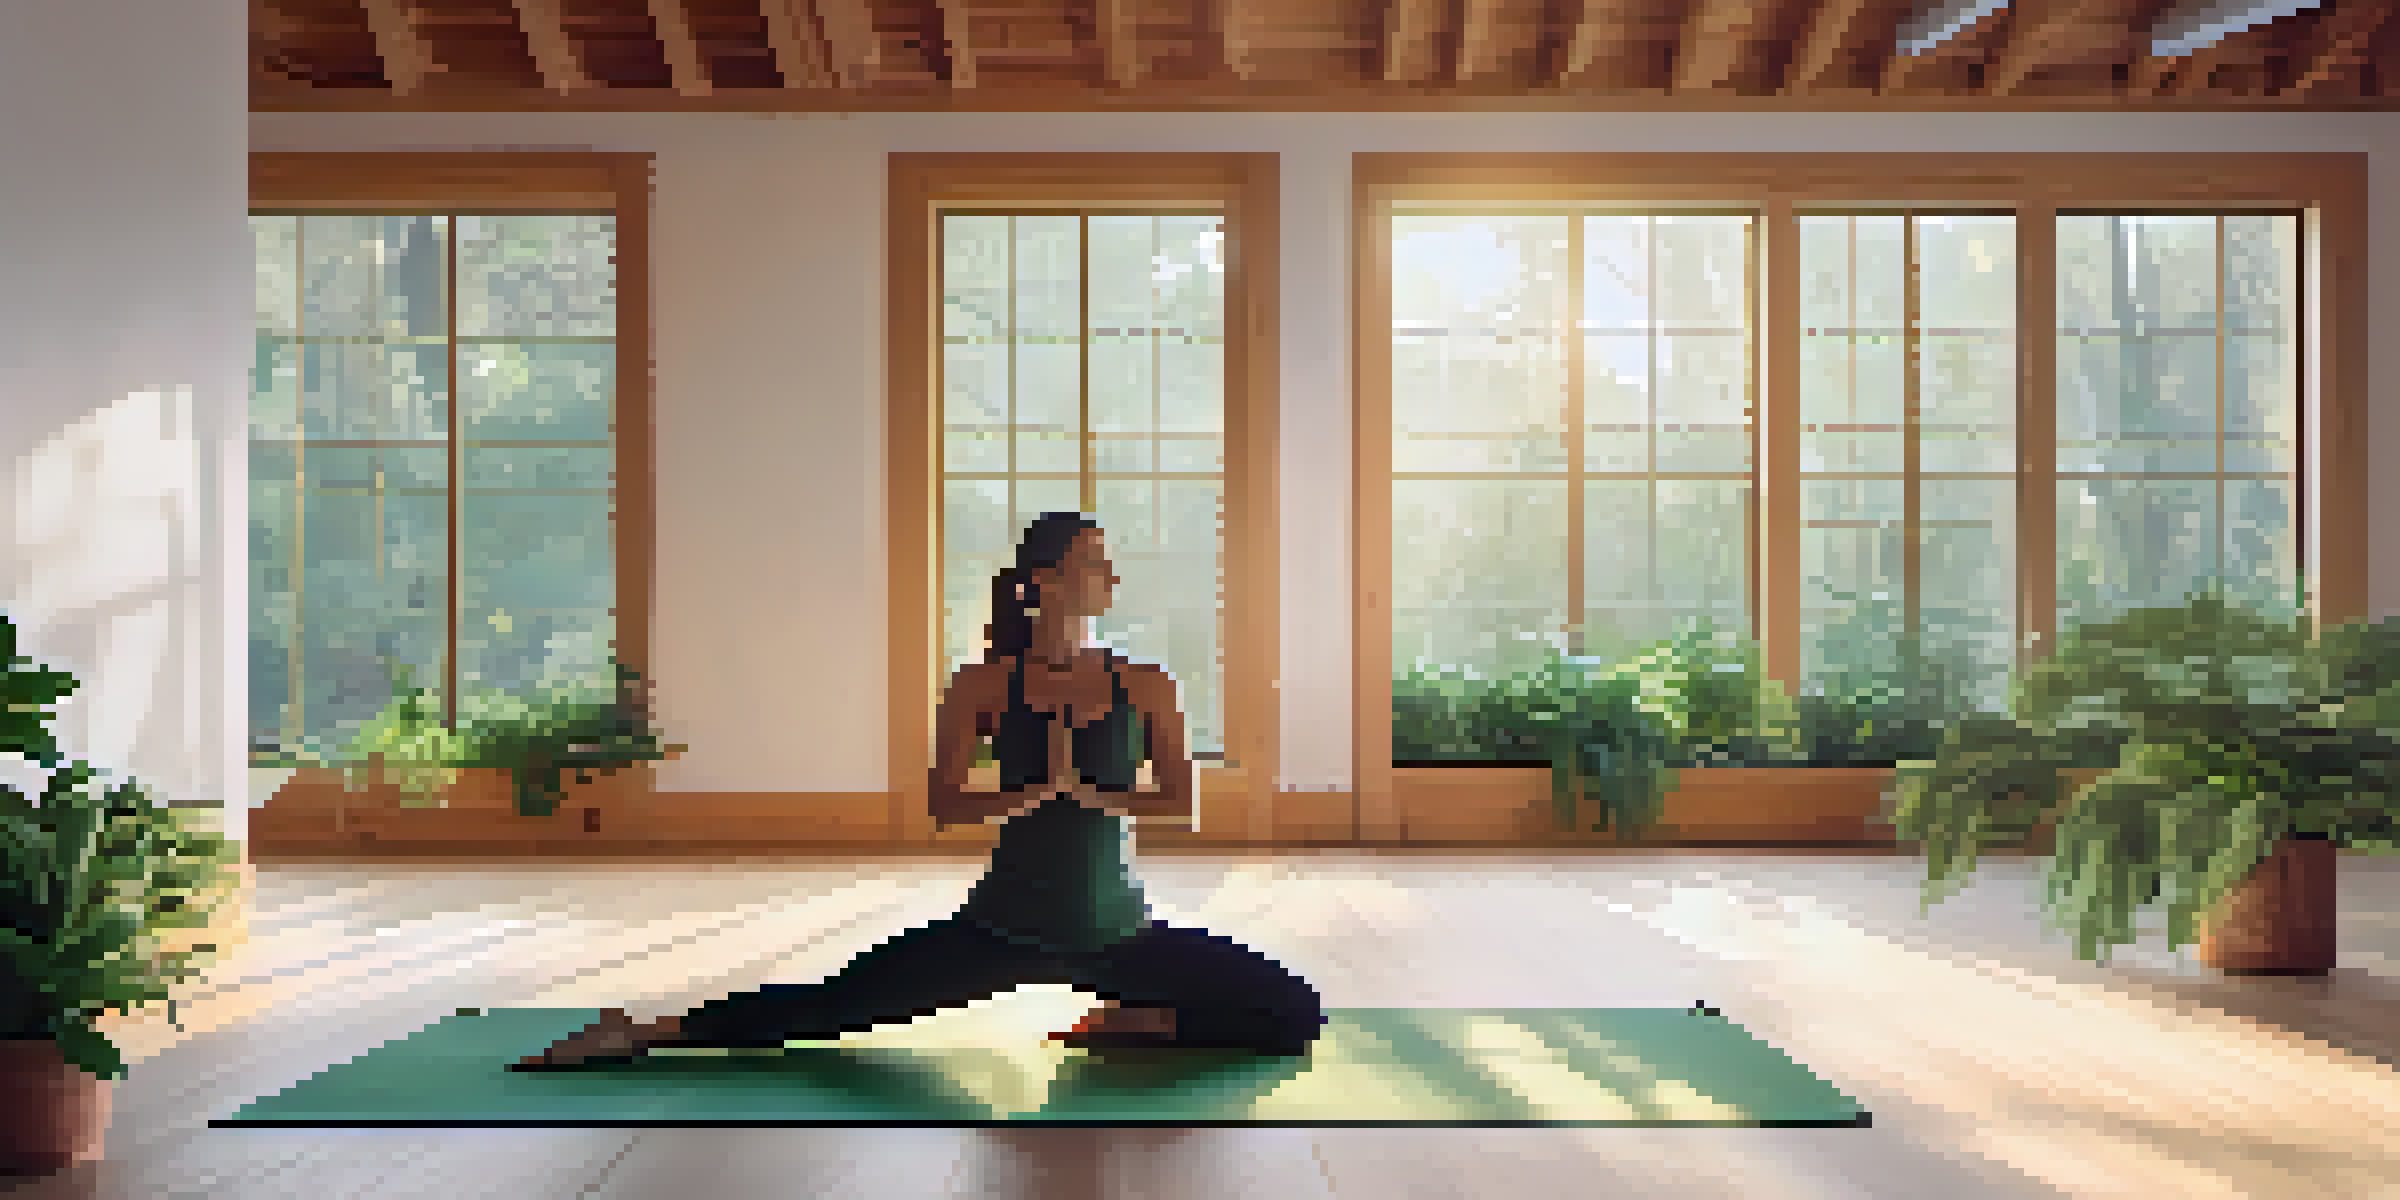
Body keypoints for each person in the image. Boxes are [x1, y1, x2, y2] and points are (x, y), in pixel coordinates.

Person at [516, 512, 1325, 1068]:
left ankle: (1143, 1016)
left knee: (1294, 1012)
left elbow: (1179, 806)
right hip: (998, 930)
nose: (1111, 576)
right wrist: (1027, 793)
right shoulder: (980, 685)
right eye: (1094, 563)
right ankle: (640, 1032)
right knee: (828, 1008)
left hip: (1116, 933)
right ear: (1046, 580)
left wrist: (1089, 792)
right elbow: (943, 808)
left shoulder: (1144, 683)